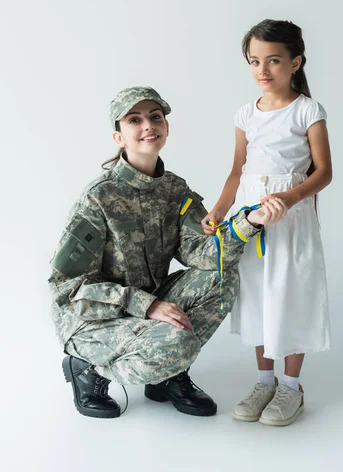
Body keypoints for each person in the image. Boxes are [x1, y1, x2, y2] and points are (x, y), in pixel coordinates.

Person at [49, 86, 287, 419]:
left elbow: (204, 254)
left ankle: (167, 373)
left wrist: (248, 221)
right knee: (178, 344)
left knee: (221, 276)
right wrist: (148, 305)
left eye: (155, 117)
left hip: (148, 306)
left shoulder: (174, 190)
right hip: (93, 321)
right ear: (119, 137)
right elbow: (68, 290)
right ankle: (86, 368)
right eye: (135, 120)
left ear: (166, 128)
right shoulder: (98, 199)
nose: (148, 125)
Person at [202, 20, 332, 426]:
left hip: (291, 221)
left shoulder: (307, 110)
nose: (263, 70)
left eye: (273, 61)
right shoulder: (246, 113)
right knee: (258, 295)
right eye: (255, 61)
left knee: (289, 296)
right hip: (250, 219)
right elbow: (237, 170)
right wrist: (220, 210)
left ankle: (290, 387)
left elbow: (323, 173)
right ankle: (264, 381)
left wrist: (289, 198)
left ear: (296, 62)